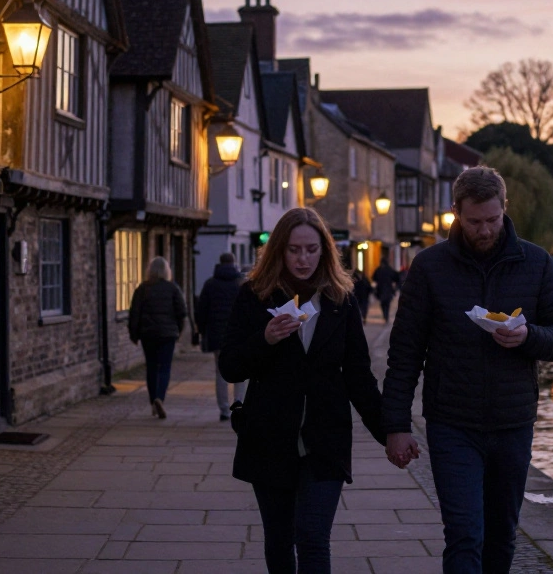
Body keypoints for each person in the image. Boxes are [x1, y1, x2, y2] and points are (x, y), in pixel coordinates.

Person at [382, 166, 553, 574]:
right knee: (465, 534)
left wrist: (528, 337)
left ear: (504, 209)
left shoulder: (536, 263)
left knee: (502, 533)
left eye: (492, 219)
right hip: (452, 422)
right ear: (455, 212)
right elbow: (405, 351)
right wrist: (396, 425)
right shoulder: (429, 267)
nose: (485, 230)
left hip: (513, 421)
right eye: (474, 222)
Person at [219, 208, 387, 574]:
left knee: (312, 537)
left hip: (325, 440)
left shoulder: (341, 300)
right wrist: (265, 338)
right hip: (269, 437)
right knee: (279, 540)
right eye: (294, 250)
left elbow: (359, 376)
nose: (303, 259)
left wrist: (391, 433)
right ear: (279, 250)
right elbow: (230, 365)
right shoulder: (254, 296)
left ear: (324, 251)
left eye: (312, 249)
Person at [128, 256, 188, 419]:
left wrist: (133, 334)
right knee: (165, 367)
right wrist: (179, 331)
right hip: (168, 334)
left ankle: (153, 399)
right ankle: (160, 398)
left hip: (148, 334)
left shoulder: (142, 289)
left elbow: (134, 313)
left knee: (152, 367)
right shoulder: (173, 288)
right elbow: (181, 312)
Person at [196, 252, 246, 421]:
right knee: (241, 372)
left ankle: (224, 410)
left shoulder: (210, 284)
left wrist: (202, 331)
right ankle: (239, 404)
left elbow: (201, 311)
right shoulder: (241, 284)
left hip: (217, 335)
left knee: (220, 373)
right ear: (234, 263)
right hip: (239, 335)